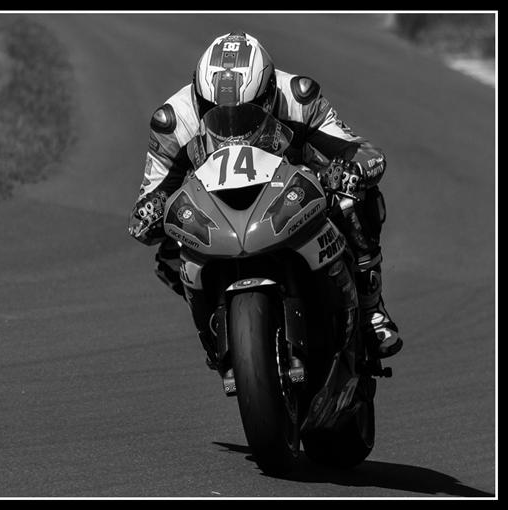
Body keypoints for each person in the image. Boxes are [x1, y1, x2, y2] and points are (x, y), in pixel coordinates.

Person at [127, 31, 402, 376]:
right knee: (169, 248)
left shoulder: (298, 98)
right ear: (198, 96)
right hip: (218, 211)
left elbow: (360, 150)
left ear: (270, 92)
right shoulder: (174, 120)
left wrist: (350, 169)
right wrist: (149, 211)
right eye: (215, 112)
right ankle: (217, 327)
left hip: (294, 198)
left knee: (357, 200)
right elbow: (149, 198)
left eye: (247, 112)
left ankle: (370, 309)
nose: (231, 125)